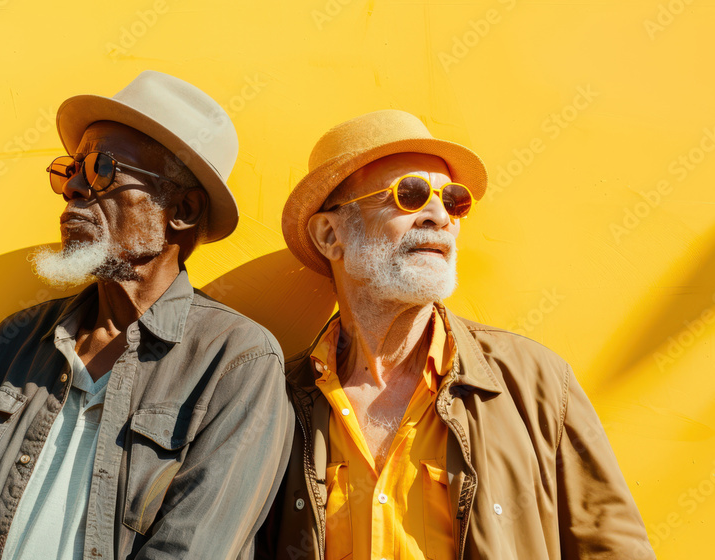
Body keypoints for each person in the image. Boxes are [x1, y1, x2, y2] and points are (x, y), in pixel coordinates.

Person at [0, 70, 293, 560]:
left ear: (184, 209)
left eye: (103, 169)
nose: (74, 189)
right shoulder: (16, 341)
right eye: (71, 170)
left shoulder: (238, 360)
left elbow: (191, 550)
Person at [256, 109, 655, 559]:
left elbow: (613, 548)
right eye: (409, 195)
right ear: (331, 234)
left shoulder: (537, 383)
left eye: (453, 200)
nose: (439, 216)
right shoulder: (276, 401)